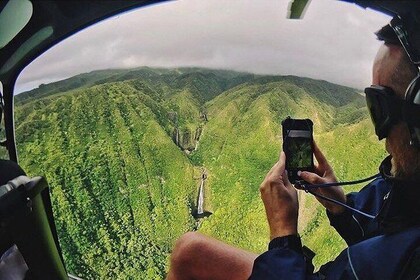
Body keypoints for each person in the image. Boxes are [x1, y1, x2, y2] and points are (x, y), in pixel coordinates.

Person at [167, 15, 420, 280]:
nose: (380, 134)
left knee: (190, 251)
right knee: (189, 251)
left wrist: (282, 234)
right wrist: (341, 207)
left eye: (379, 108)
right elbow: (393, 222)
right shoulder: (408, 185)